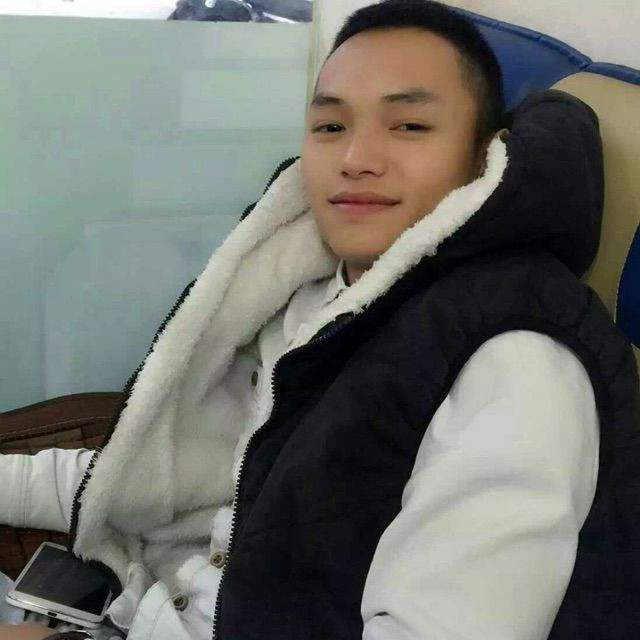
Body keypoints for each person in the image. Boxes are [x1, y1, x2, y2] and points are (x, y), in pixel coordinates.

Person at [1, 1, 639, 639]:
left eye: (410, 125)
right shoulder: (310, 289)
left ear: (486, 155)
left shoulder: (514, 363)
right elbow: (162, 473)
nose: (356, 157)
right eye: (331, 126)